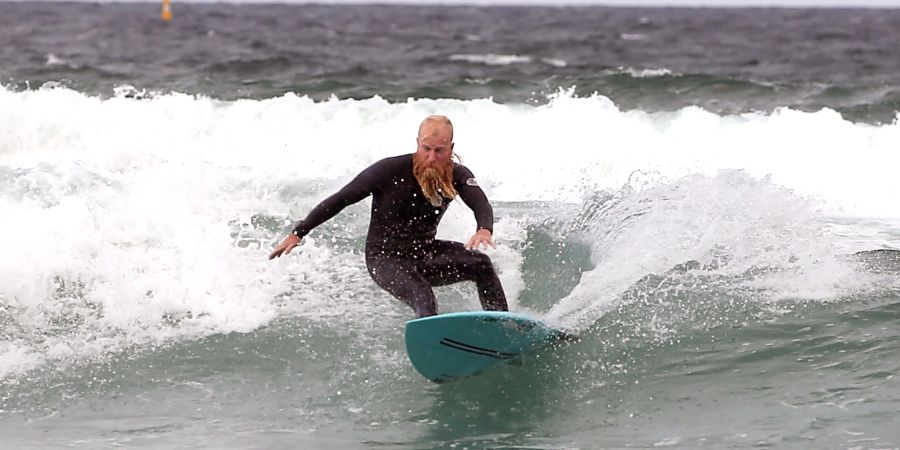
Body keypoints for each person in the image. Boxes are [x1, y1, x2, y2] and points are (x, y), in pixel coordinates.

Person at [269, 115, 509, 318]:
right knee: (422, 296)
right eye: (426, 149)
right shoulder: (388, 171)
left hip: (424, 252)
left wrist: (484, 229)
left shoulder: (457, 174)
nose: (432, 157)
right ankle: (433, 348)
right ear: (417, 144)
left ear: (451, 149)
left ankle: (501, 326)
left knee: (481, 265)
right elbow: (341, 198)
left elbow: (480, 202)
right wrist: (298, 232)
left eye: (439, 150)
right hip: (385, 258)